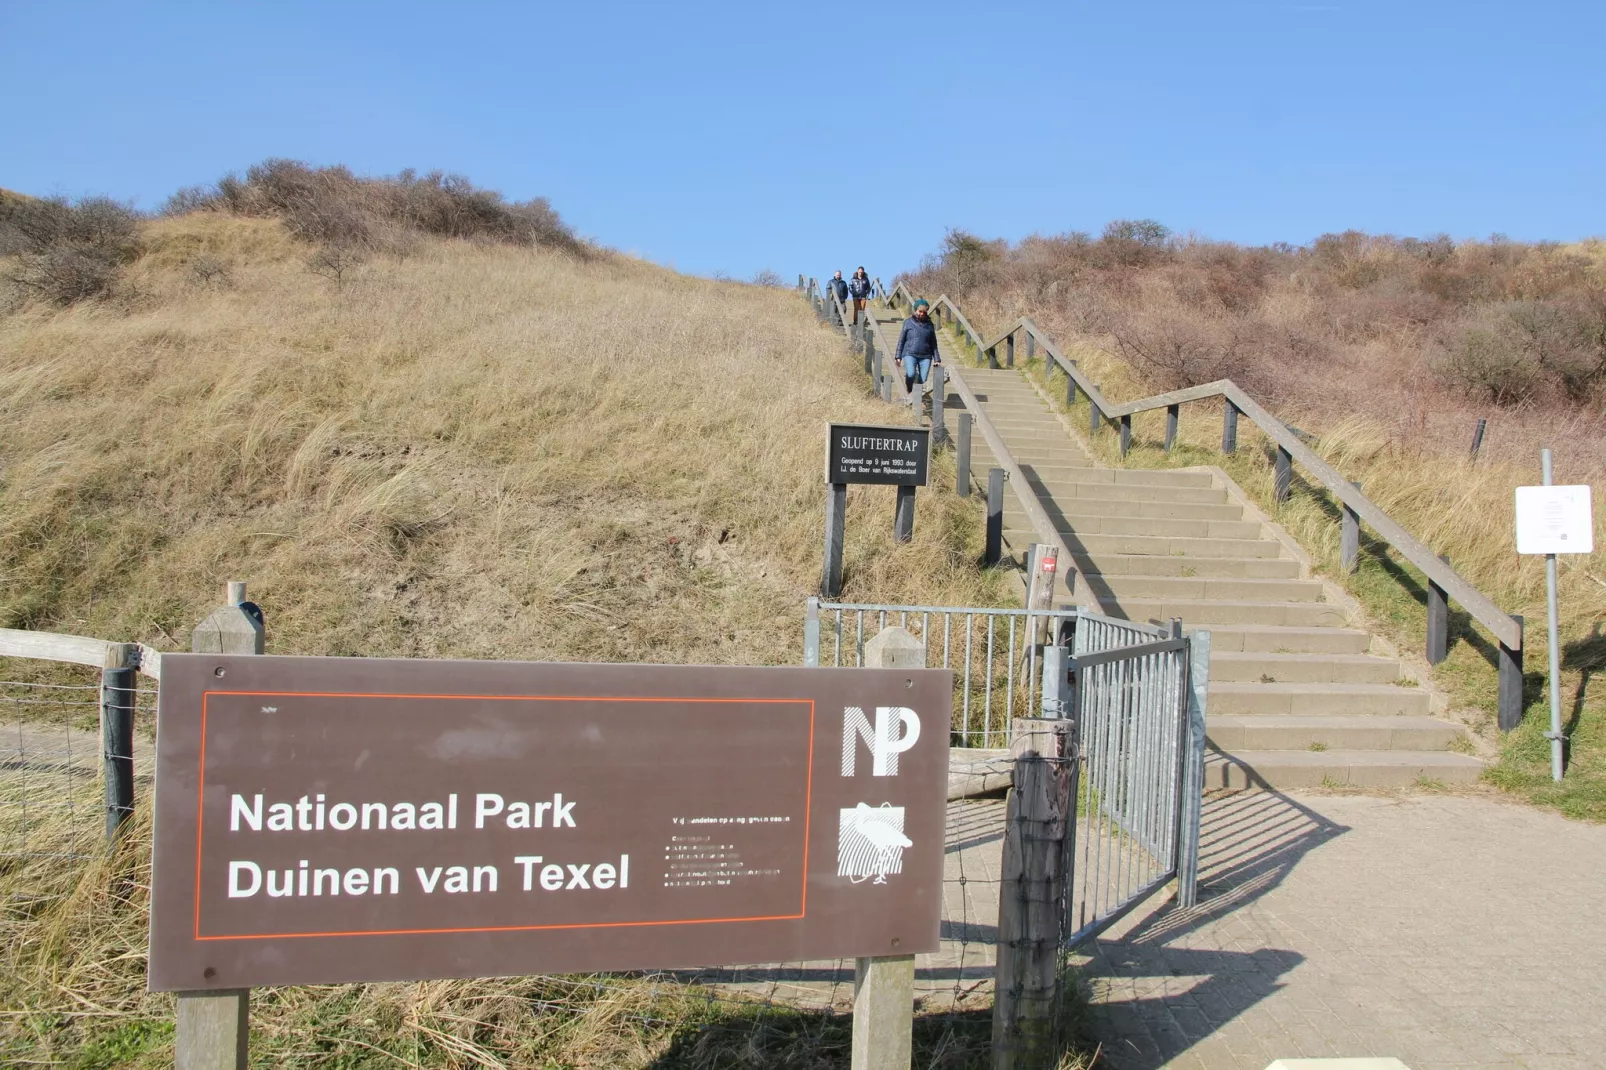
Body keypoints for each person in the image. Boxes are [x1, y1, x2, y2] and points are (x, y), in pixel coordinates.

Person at [894, 298, 940, 404]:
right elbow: (902, 340)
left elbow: (934, 343)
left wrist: (937, 358)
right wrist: (898, 356)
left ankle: (917, 398)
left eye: (924, 312)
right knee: (911, 374)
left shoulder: (930, 325)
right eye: (920, 311)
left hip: (926, 356)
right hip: (910, 353)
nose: (922, 313)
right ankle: (910, 390)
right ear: (916, 311)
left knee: (923, 380)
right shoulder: (908, 322)